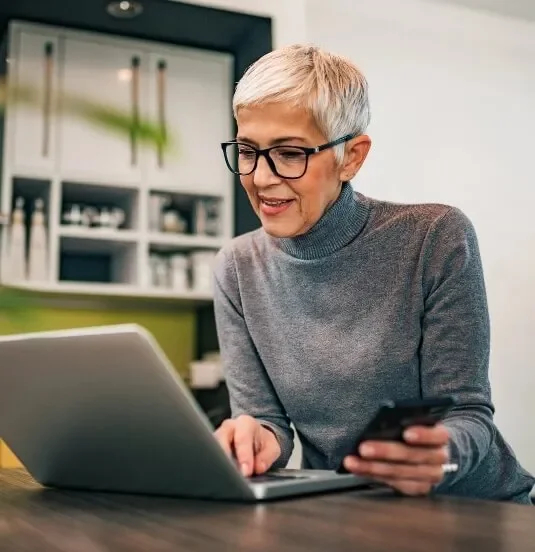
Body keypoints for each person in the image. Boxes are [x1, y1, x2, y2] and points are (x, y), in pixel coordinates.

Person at [212, 44, 534, 503]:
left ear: (352, 157)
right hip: (346, 510)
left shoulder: (434, 237)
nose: (261, 178)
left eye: (289, 153)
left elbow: (468, 414)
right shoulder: (237, 268)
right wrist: (257, 440)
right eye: (247, 150)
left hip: (474, 509)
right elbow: (267, 423)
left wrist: (438, 456)